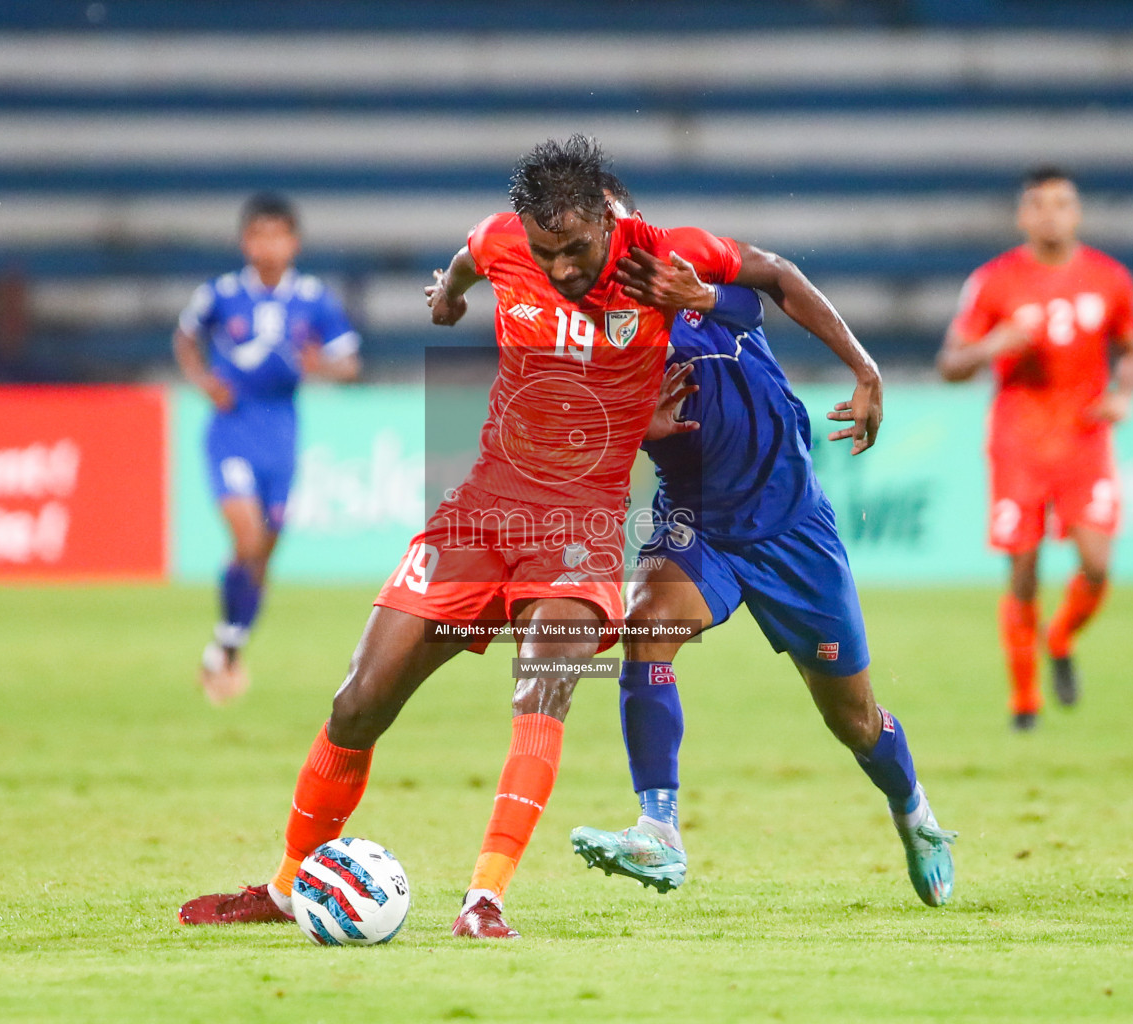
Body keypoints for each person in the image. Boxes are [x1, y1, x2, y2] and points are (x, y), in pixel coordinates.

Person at [177, 135, 880, 939]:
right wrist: (449, 297)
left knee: (538, 691)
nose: (563, 270)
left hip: (581, 528)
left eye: (576, 250)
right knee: (358, 702)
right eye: (546, 252)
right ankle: (281, 887)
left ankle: (484, 899)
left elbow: (769, 286)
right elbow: (471, 259)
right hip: (482, 510)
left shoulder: (665, 256)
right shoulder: (505, 240)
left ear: (607, 223)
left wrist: (859, 368)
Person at [568, 181, 956, 907]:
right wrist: (631, 428)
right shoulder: (588, 326)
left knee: (855, 721)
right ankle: (659, 828)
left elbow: (771, 283)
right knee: (646, 630)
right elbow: (577, 442)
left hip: (792, 528)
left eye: (617, 227)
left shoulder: (686, 257)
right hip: (697, 520)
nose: (615, 250)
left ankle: (916, 816)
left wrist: (865, 370)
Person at [936, 166, 1133, 730]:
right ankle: (1025, 703)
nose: (1050, 214)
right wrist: (993, 345)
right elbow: (950, 365)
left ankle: (1060, 637)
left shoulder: (1110, 279)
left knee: (1098, 566)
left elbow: (1131, 349)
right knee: (1023, 574)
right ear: (1023, 215)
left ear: (1076, 212)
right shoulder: (994, 282)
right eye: (1039, 204)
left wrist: (1125, 393)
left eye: (1061, 203)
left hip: (1084, 440)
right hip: (1019, 444)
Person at [173, 193, 361, 704]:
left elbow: (350, 363)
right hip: (231, 428)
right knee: (248, 539)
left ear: (294, 242)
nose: (269, 244)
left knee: (263, 555)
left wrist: (317, 364)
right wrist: (203, 381)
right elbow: (185, 337)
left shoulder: (314, 297)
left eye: (278, 234)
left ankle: (226, 646)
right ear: (245, 241)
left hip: (281, 434)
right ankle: (228, 645)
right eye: (260, 234)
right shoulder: (222, 293)